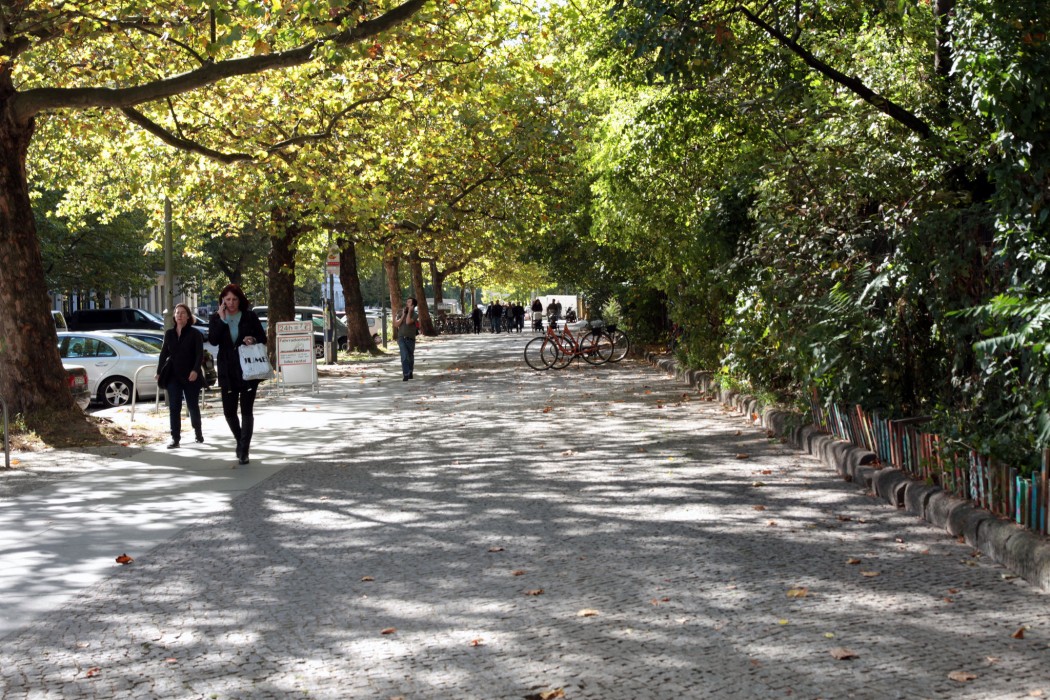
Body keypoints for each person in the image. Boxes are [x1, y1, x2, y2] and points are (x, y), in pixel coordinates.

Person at [208, 283, 266, 465]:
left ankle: (244, 450)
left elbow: (263, 337)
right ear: (222, 301)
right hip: (227, 368)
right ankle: (241, 441)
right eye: (228, 299)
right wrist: (222, 320)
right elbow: (213, 340)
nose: (231, 303)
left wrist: (252, 339)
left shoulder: (249, 316)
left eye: (234, 299)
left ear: (240, 300)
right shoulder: (216, 318)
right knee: (229, 411)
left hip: (248, 368)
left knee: (247, 409)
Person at [156, 303, 205, 449]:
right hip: (173, 375)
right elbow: (163, 353)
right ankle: (175, 438)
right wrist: (159, 372)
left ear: (188, 316)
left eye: (183, 313)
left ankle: (198, 431)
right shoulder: (169, 334)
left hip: (190, 375)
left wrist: (195, 370)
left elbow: (199, 355)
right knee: (174, 407)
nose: (179, 315)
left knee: (192, 406)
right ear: (174, 316)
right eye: (177, 313)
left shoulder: (195, 334)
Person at [394, 297, 419, 380]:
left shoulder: (415, 315)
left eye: (409, 302)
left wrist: (409, 312)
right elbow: (396, 324)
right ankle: (406, 374)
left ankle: (410, 371)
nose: (407, 303)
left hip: (410, 339)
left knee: (410, 357)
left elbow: (408, 322)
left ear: (413, 305)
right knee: (404, 356)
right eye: (407, 302)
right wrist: (403, 315)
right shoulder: (401, 312)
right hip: (401, 338)